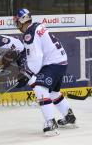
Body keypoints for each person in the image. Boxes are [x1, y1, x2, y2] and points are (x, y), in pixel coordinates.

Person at [13, 8, 77, 136]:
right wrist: (29, 71)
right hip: (61, 62)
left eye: (17, 22)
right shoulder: (36, 27)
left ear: (23, 20)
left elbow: (36, 58)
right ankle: (69, 117)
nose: (17, 25)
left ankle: (51, 123)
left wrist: (28, 72)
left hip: (53, 63)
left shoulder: (29, 34)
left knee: (41, 90)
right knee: (53, 92)